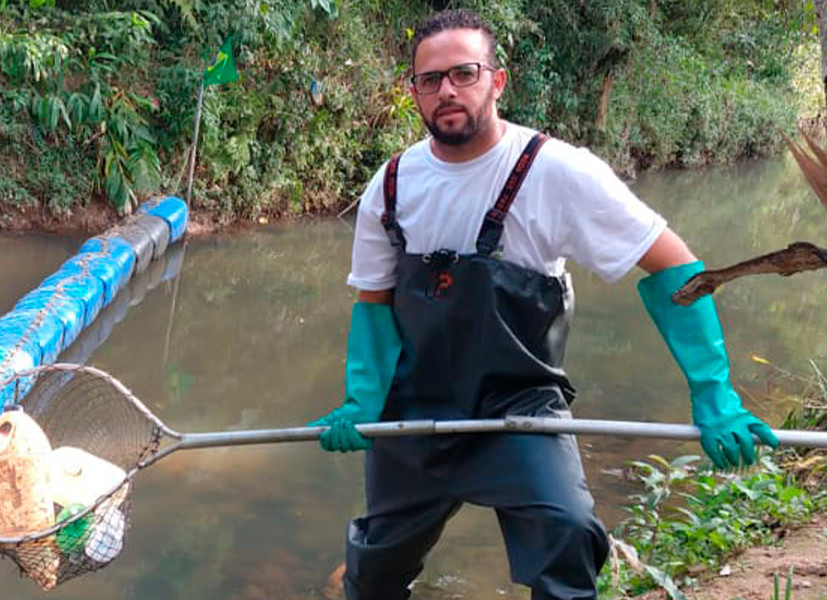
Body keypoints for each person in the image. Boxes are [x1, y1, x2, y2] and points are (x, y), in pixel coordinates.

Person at [308, 9, 780, 600]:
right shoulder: (393, 183)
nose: (447, 90)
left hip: (519, 406)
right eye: (430, 80)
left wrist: (713, 393)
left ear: (497, 81)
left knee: (569, 534)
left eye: (464, 73)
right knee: (375, 572)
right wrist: (360, 402)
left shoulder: (555, 171)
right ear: (414, 93)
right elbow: (374, 302)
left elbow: (674, 266)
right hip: (415, 408)